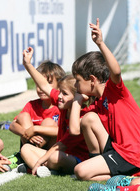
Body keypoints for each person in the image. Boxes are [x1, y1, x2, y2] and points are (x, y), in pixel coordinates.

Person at [71, 18, 140, 181]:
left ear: (92, 79)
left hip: (130, 154)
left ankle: (132, 176)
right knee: (89, 119)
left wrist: (100, 43)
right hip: (116, 150)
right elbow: (74, 129)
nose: (76, 86)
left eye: (78, 81)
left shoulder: (113, 90)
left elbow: (117, 71)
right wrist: (76, 101)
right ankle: (110, 169)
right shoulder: (98, 103)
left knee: (80, 172)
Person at [18, 47, 91, 177]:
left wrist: (40, 160)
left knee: (55, 157)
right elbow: (44, 85)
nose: (60, 96)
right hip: (58, 152)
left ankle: (38, 166)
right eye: (60, 92)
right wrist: (28, 64)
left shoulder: (84, 115)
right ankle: (47, 169)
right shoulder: (64, 104)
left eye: (64, 93)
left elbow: (62, 145)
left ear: (76, 97)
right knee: (26, 149)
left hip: (78, 159)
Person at [8, 60, 64, 168]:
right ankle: (28, 156)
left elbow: (63, 131)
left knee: (48, 122)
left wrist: (35, 129)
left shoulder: (61, 106)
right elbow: (12, 125)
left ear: (60, 86)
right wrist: (26, 133)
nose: (41, 88)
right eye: (38, 84)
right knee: (23, 116)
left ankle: (27, 159)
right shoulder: (31, 105)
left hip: (51, 151)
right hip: (29, 144)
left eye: (46, 83)